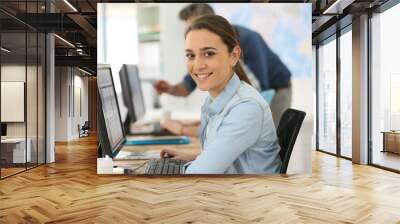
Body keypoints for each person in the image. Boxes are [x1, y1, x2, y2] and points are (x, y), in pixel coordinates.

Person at [160, 15, 282, 174]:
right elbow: (231, 155)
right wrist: (195, 158)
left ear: (234, 56)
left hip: (251, 194)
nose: (197, 65)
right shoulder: (216, 99)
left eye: (209, 53)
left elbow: (199, 174)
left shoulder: (245, 108)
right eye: (191, 55)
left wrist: (192, 165)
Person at [154, 3, 292, 127]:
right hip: (254, 95)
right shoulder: (204, 51)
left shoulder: (247, 38)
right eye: (189, 28)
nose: (192, 33)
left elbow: (260, 88)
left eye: (197, 26)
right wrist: (170, 89)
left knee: (270, 138)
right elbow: (188, 85)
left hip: (277, 89)